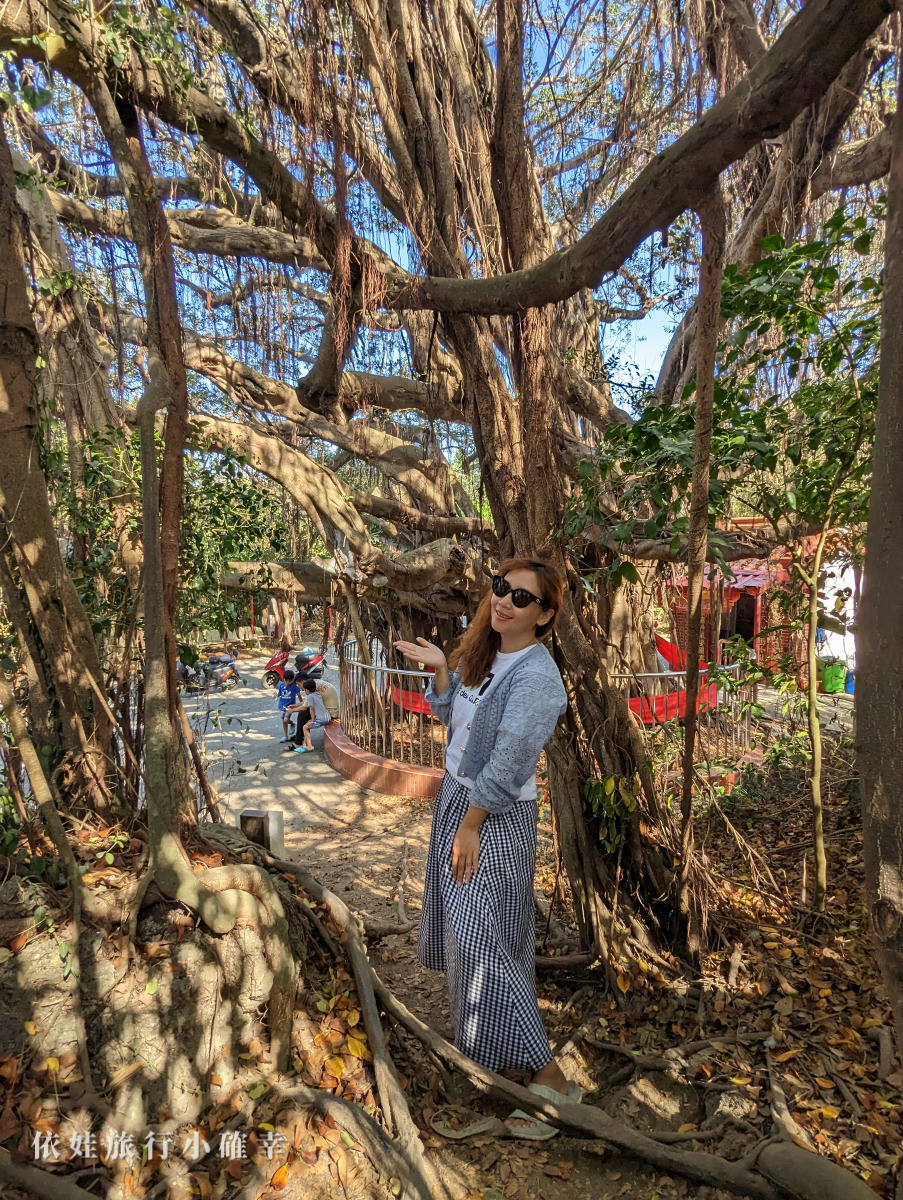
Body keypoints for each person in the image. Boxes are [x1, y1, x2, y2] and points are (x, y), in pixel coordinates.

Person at [394, 558, 579, 1130]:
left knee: (483, 941)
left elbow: (509, 763)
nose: (503, 602)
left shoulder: (537, 679)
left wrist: (470, 825)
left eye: (521, 598)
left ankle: (552, 1082)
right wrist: (442, 674)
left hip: (493, 818)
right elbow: (453, 721)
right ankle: (486, 1053)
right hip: (459, 802)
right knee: (474, 932)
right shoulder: (485, 651)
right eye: (501, 589)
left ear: (545, 615)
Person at [282, 679, 339, 752]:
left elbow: (310, 708)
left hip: (322, 718)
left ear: (306, 689)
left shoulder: (310, 697)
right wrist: (294, 706)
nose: (300, 689)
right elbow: (306, 704)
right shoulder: (317, 693)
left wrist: (312, 720)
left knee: (305, 726)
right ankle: (304, 745)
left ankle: (309, 746)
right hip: (327, 715)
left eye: (298, 684)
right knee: (306, 724)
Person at [276, 669, 300, 741]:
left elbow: (299, 696)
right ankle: (291, 725)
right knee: (283, 719)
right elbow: (279, 693)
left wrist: (299, 705)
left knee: (285, 720)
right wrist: (276, 696)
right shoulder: (281, 685)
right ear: (284, 679)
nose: (288, 682)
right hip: (282, 706)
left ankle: (286, 735)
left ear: (293, 679)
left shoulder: (295, 686)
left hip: (290, 707)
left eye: (290, 681)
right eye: (286, 680)